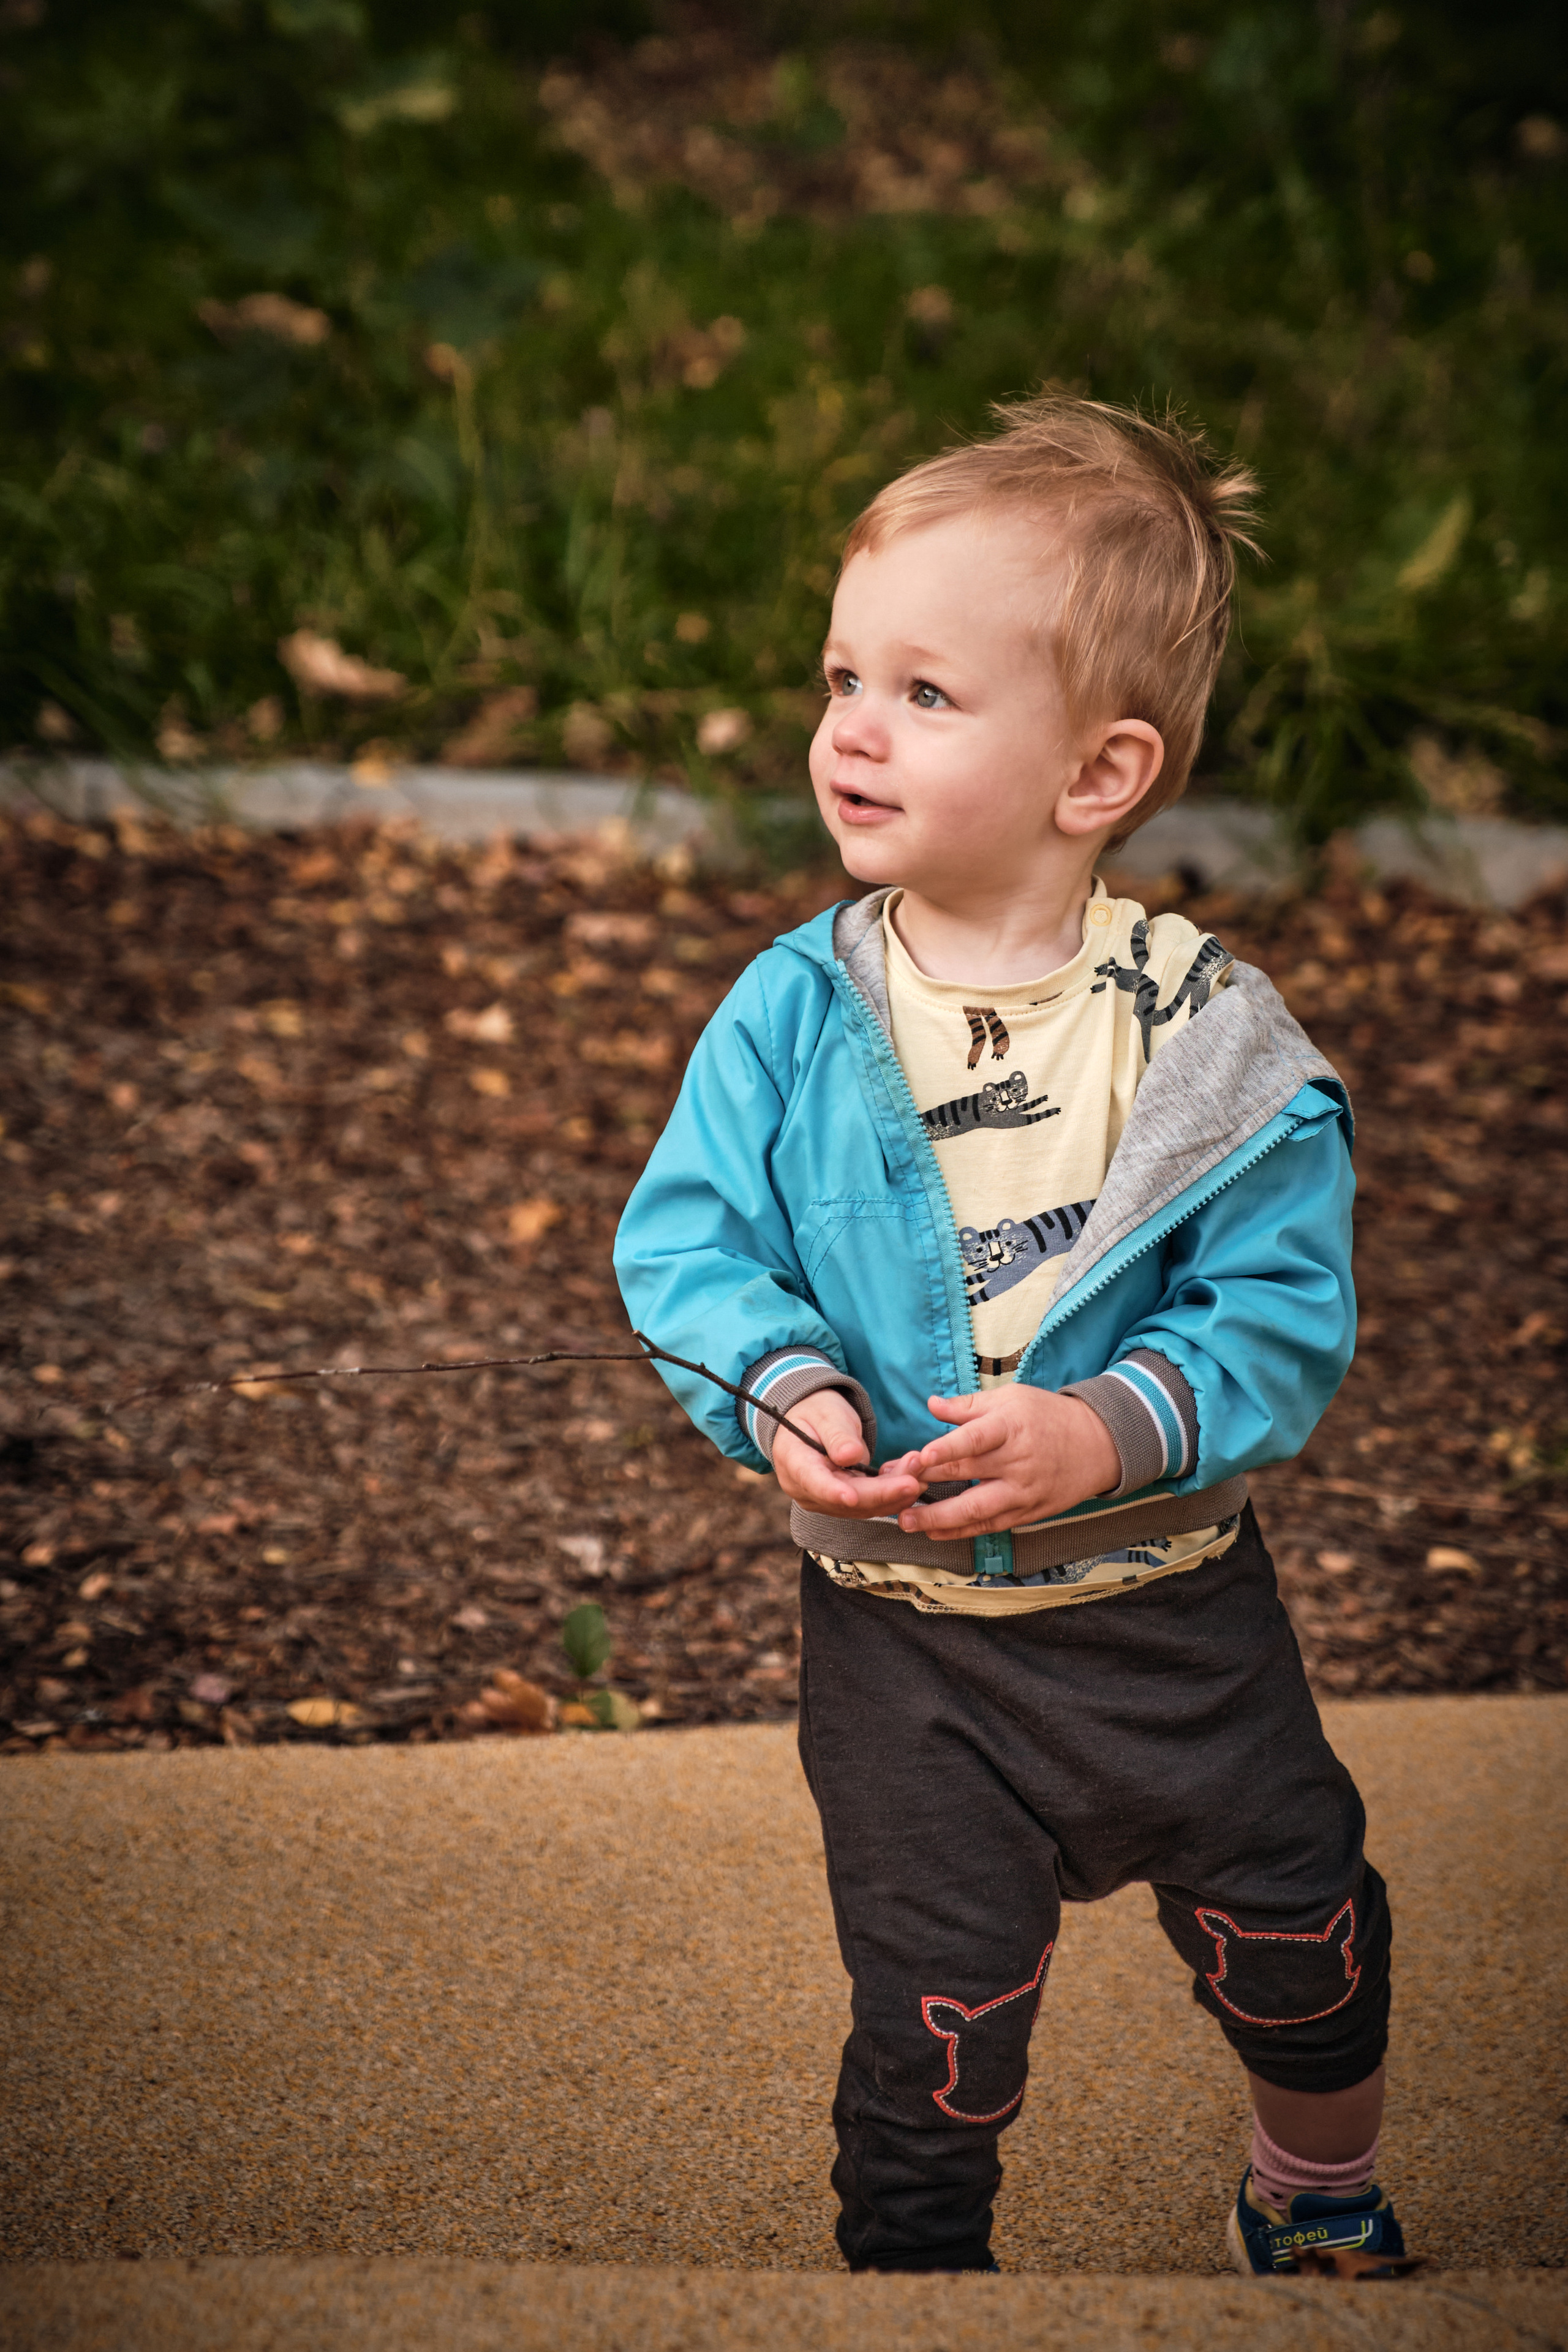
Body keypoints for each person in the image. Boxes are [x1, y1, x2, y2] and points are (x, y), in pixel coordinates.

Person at [614, 394, 1417, 2280]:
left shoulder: (1202, 1037)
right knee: (936, 2020)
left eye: (927, 691)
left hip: (1172, 1623)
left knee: (1303, 1941)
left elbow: (1282, 1313)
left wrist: (1108, 1432)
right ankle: (916, 2280)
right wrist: (785, 1396)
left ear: (1098, 772)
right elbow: (694, 1249)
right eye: (840, 675)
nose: (852, 728)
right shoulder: (796, 1012)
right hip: (906, 1646)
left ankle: (1315, 2192)